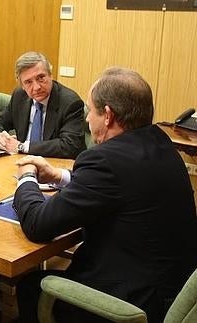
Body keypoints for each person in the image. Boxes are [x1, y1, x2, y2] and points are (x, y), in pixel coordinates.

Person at [13, 67, 197, 323]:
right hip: (172, 292)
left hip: (129, 304)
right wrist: (60, 176)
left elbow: (37, 224)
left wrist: (27, 178)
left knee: (31, 286)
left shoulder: (105, 160)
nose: (87, 120)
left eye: (91, 111)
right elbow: (121, 188)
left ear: (108, 115)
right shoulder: (162, 144)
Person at [0, 52, 85, 159]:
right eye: (28, 82)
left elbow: (69, 146)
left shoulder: (70, 102)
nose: (36, 87)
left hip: (57, 165)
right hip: (22, 161)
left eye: (41, 78)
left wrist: (22, 146)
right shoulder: (19, 96)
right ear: (22, 85)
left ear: (51, 75)